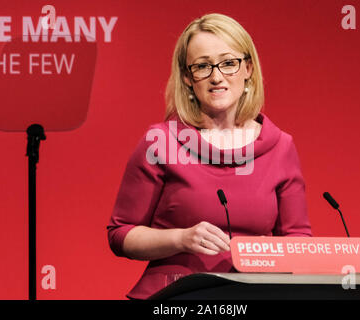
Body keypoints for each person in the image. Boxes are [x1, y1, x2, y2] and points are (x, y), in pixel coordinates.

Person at [107, 13, 312, 300]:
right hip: (176, 296)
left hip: (254, 294)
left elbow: (298, 241)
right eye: (202, 66)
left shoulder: (280, 146)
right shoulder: (161, 142)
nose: (217, 77)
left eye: (228, 63)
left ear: (248, 68)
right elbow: (121, 234)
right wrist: (181, 238)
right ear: (188, 78)